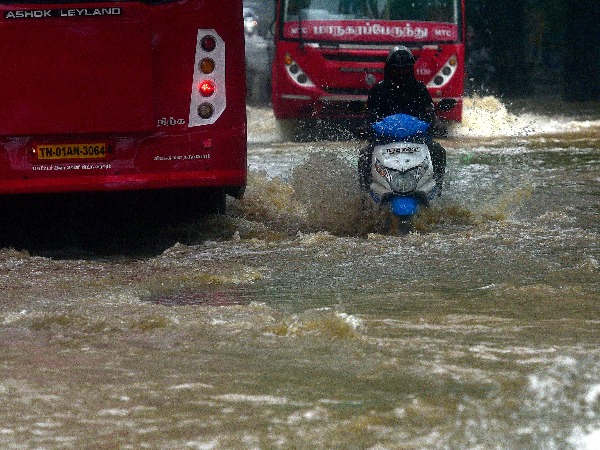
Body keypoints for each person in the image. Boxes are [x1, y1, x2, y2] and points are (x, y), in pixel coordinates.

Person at [359, 46, 446, 193]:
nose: (401, 72)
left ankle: (437, 191)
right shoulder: (377, 90)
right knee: (364, 155)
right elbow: (370, 116)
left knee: (439, 151)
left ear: (411, 69)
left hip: (417, 139)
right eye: (396, 69)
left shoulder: (420, 88)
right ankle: (364, 196)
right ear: (389, 69)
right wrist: (365, 128)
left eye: (405, 69)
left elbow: (430, 112)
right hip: (384, 140)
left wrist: (437, 124)